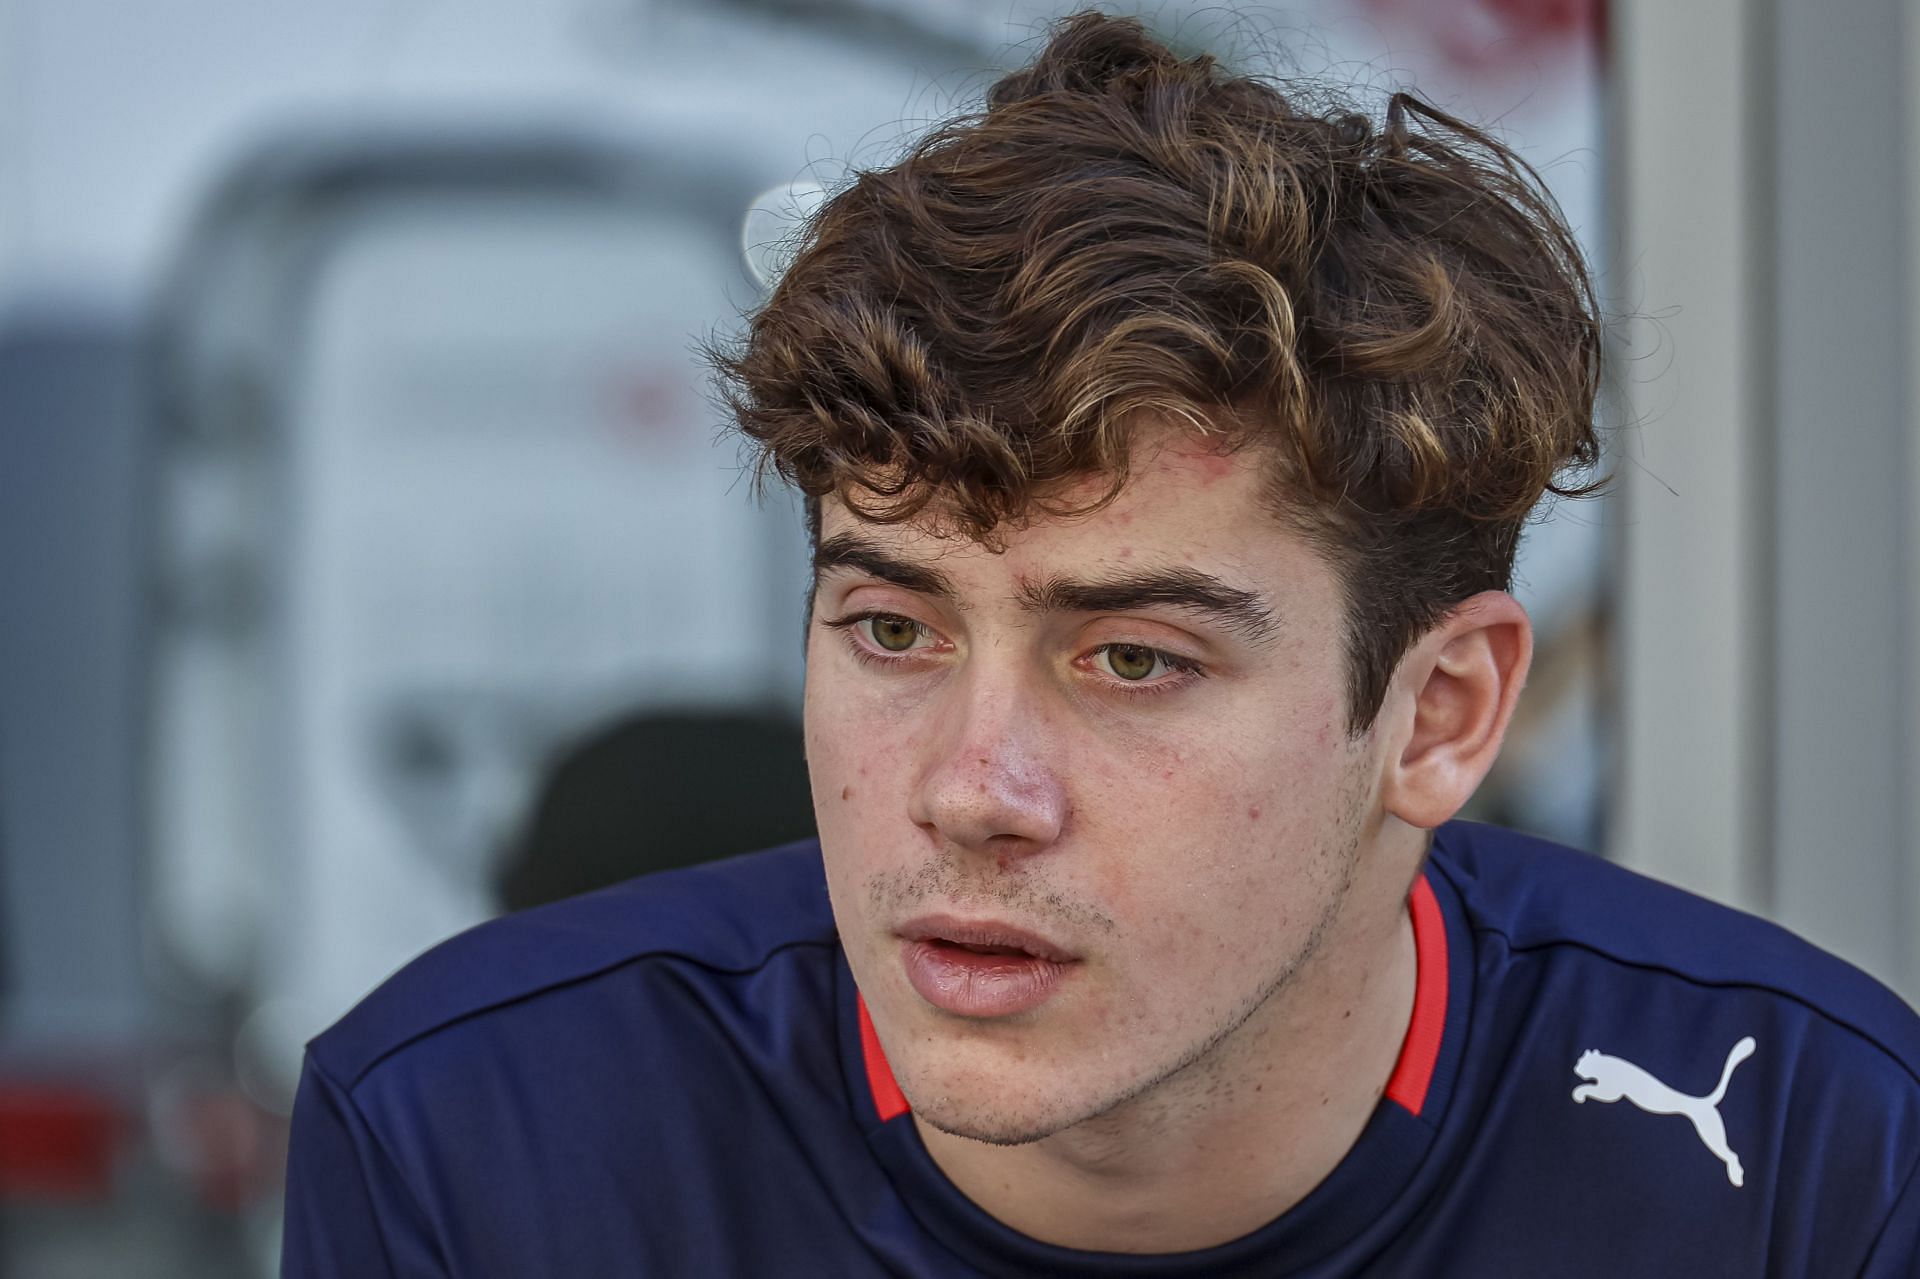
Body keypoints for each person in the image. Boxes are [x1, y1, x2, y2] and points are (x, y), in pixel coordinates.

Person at [280, 12, 1920, 1275]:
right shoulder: (484, 1143)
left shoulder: (1800, 1148)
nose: (973, 791)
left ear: (1440, 713)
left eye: (1133, 658)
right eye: (893, 626)